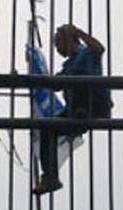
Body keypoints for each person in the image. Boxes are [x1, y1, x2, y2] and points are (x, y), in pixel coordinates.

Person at [33, 24, 111, 195]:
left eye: (58, 42)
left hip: (95, 105)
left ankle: (81, 112)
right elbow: (55, 85)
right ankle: (50, 176)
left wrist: (79, 32)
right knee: (47, 127)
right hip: (75, 111)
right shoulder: (68, 65)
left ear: (69, 39)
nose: (56, 47)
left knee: (80, 78)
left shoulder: (87, 52)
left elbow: (100, 48)